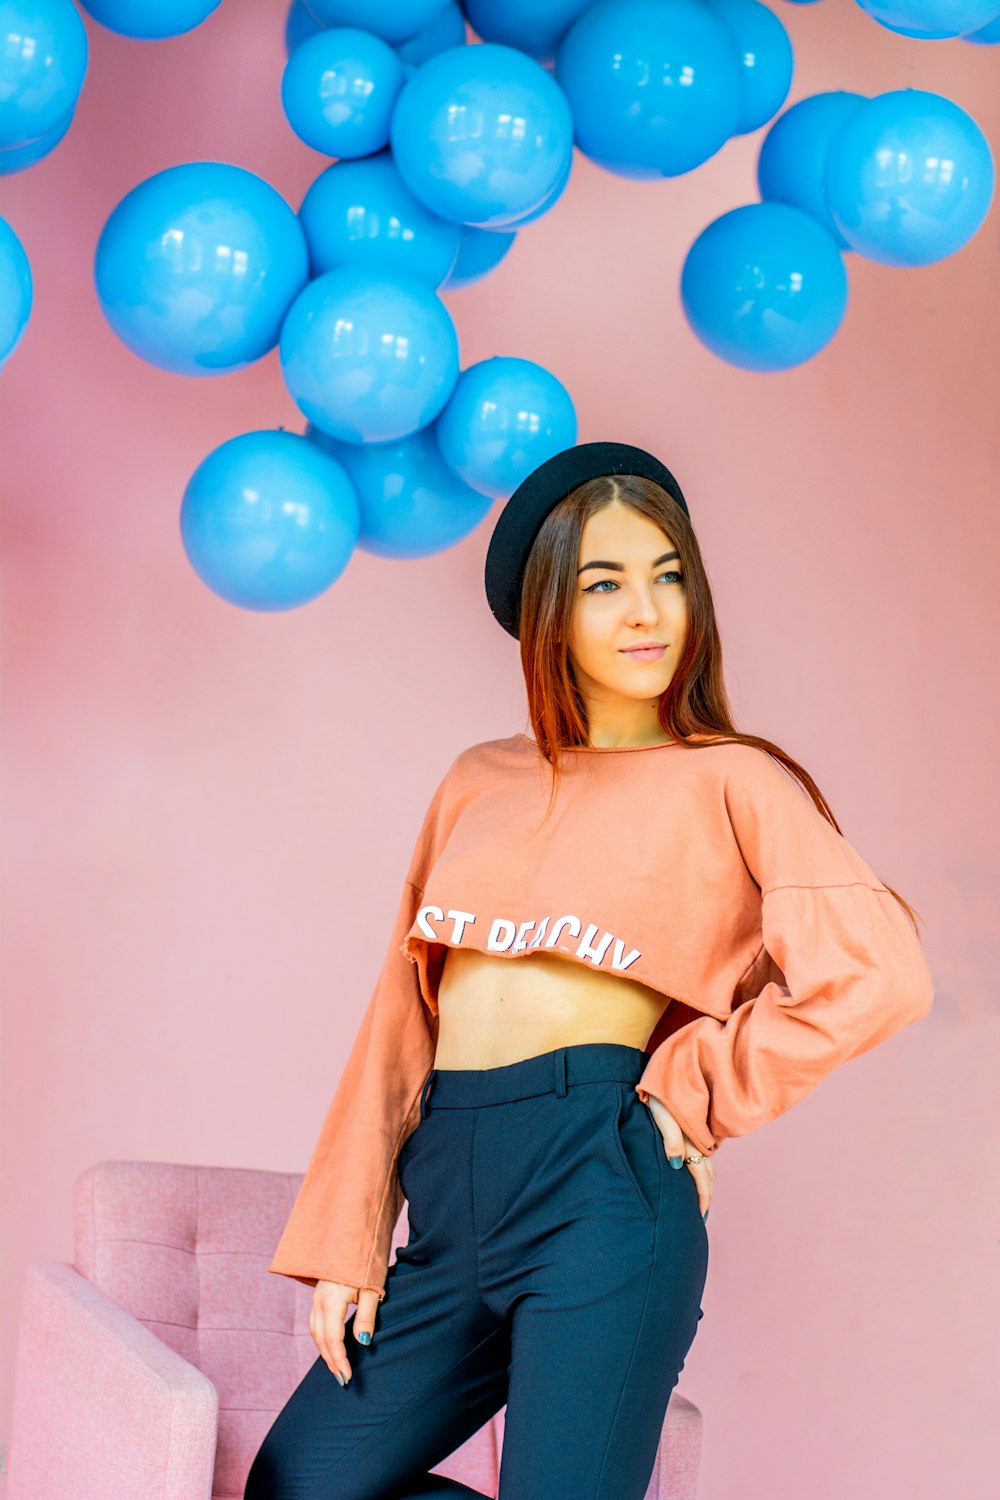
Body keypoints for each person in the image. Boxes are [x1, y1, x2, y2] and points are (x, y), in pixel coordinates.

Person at [244, 441, 934, 1500]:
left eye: (666, 577)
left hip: (598, 1186)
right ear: (548, 616)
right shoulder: (477, 781)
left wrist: (696, 1084)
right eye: (604, 585)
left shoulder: (731, 779)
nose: (646, 611)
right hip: (450, 1190)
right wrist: (349, 1240)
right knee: (300, 1484)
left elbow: (876, 973)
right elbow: (399, 1022)